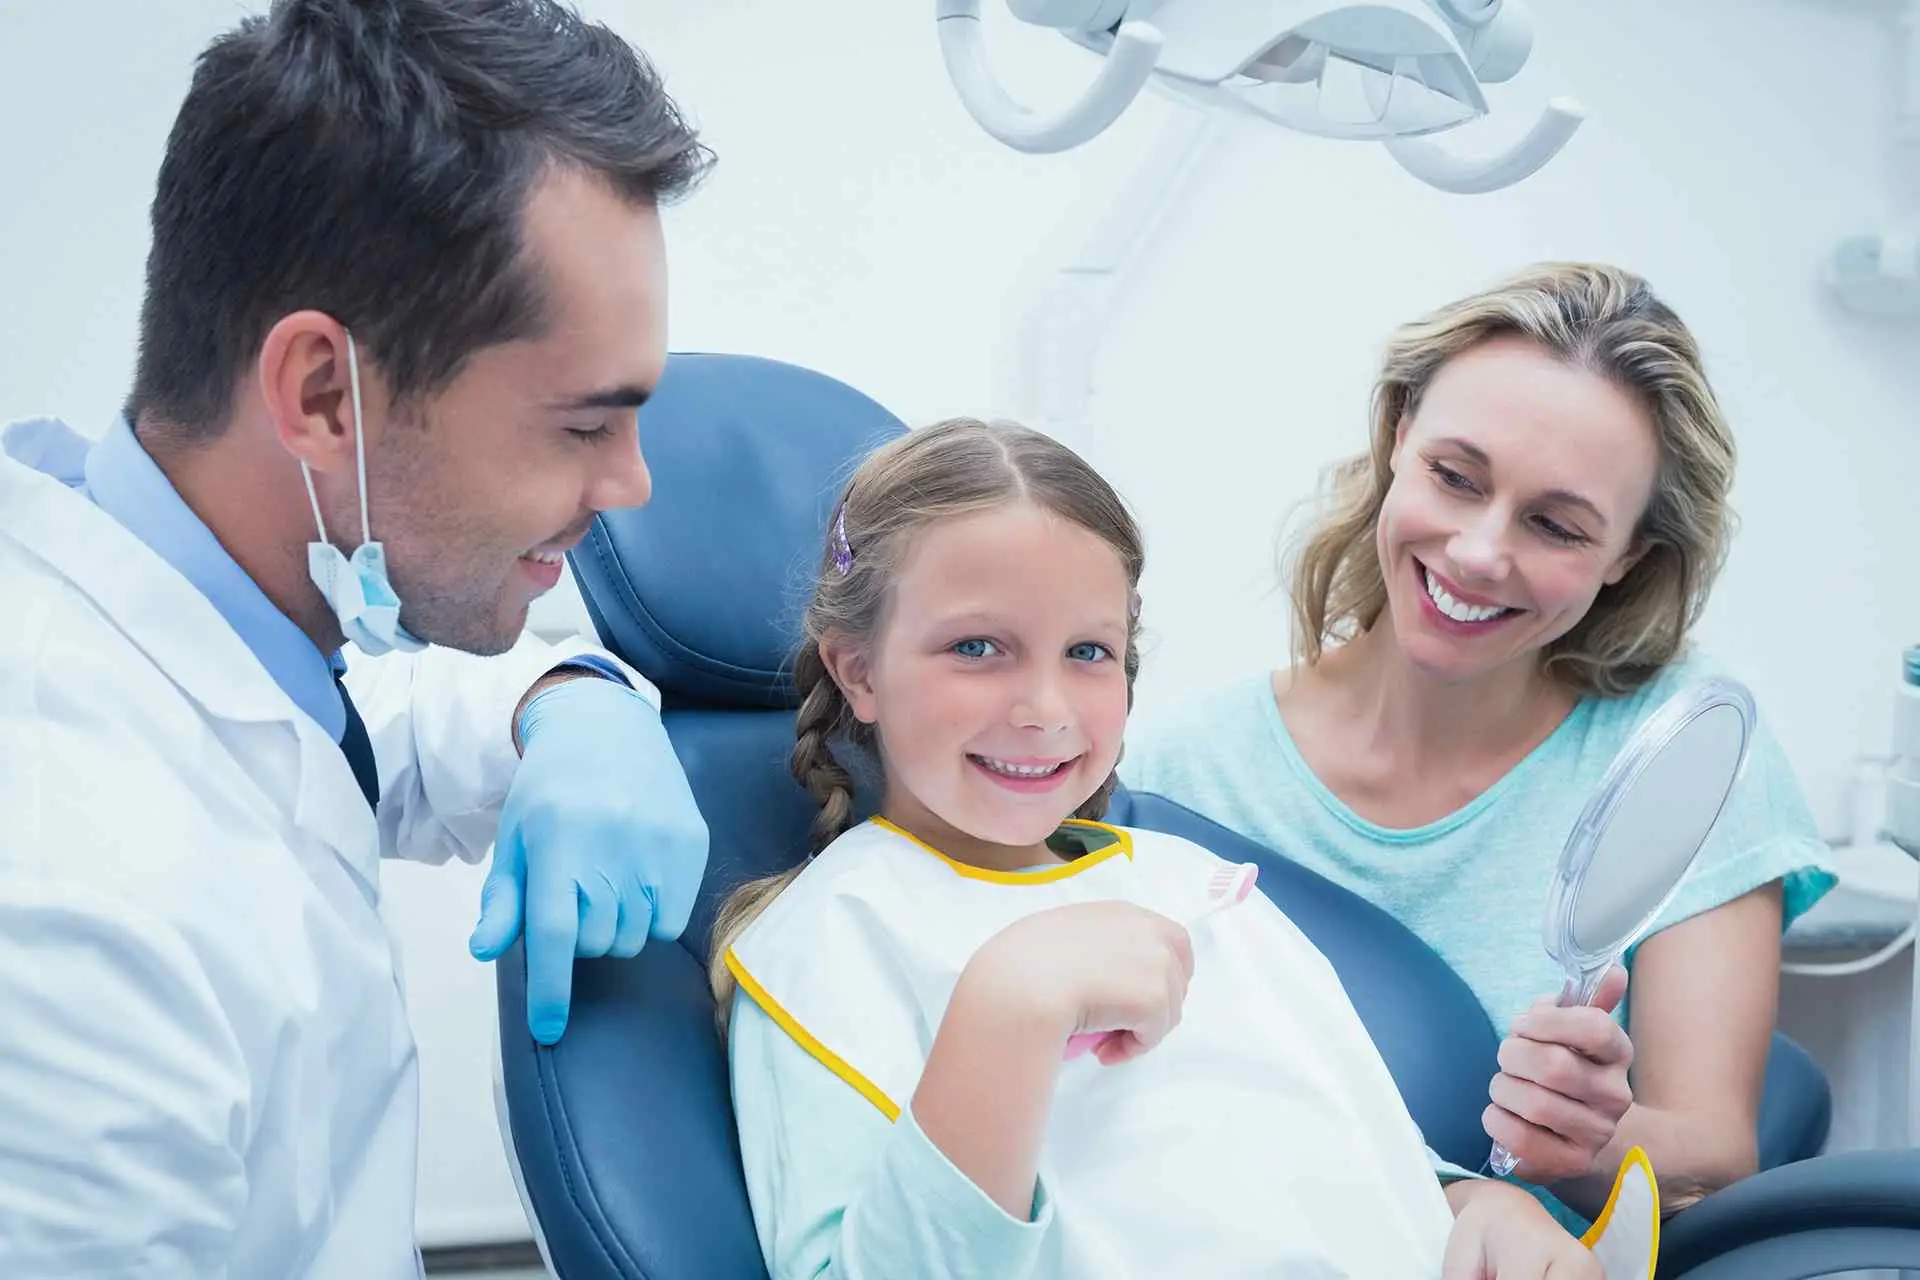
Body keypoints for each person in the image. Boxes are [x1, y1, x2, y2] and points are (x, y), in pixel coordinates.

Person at [0, 2, 716, 1273]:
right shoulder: (70, 916)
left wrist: (572, 698)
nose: (633, 486)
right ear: (323, 394)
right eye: (583, 425)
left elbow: (367, 720)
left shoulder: (217, 618)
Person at [711, 417, 1634, 1279]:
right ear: (860, 670)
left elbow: (1311, 1136)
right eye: (978, 647)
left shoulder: (1194, 885)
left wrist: (1470, 1202)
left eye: (1088, 652)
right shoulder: (828, 943)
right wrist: (1005, 1013)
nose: (1046, 709)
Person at [1121, 262, 1837, 1228]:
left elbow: (1714, 1158)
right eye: (1455, 477)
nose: (1478, 552)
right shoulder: (1178, 778)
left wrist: (1587, 1146)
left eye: (1556, 525)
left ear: (1629, 556)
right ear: (1397, 434)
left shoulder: (1679, 752)